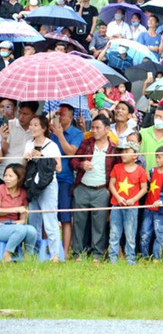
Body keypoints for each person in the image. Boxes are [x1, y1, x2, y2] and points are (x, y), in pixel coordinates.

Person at [70, 115, 117, 261]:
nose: (94, 131)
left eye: (98, 128)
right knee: (78, 222)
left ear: (107, 129)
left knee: (100, 224)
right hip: (82, 187)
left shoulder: (114, 149)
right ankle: (77, 253)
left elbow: (116, 171)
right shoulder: (86, 144)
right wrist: (82, 165)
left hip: (102, 189)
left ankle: (98, 254)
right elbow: (73, 161)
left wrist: (109, 190)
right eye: (93, 127)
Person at [23, 114, 62, 262]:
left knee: (50, 218)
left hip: (48, 185)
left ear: (44, 128)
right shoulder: (29, 143)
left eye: (35, 125)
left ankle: (54, 255)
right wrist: (26, 157)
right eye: (31, 125)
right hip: (33, 185)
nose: (31, 127)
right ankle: (33, 254)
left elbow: (58, 168)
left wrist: (43, 156)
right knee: (33, 219)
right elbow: (24, 166)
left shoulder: (51, 145)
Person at [48, 103, 83, 258]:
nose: (59, 117)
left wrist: (60, 134)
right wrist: (50, 118)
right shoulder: (50, 130)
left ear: (70, 117)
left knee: (65, 216)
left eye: (62, 114)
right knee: (48, 214)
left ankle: (65, 251)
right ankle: (48, 248)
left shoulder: (76, 133)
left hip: (65, 178)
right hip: (48, 177)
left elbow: (71, 152)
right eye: (58, 114)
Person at [107, 142, 148, 264]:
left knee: (130, 233)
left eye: (126, 151)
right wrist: (118, 198)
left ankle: (131, 258)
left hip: (132, 207)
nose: (123, 154)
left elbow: (144, 188)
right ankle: (112, 258)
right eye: (122, 152)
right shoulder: (117, 167)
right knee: (114, 232)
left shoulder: (140, 170)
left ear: (135, 156)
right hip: (116, 204)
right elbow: (111, 185)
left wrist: (133, 199)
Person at [140, 146, 163, 261]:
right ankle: (145, 256)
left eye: (160, 157)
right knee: (144, 234)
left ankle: (157, 258)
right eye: (156, 157)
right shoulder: (152, 171)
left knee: (159, 235)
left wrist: (161, 201)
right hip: (148, 208)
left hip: (161, 211)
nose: (157, 160)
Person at [0, 164, 37, 260]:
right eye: (5, 175)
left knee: (31, 230)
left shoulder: (23, 193)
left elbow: (22, 219)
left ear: (19, 178)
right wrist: (16, 209)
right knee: (20, 230)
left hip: (14, 225)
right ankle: (7, 255)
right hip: (1, 226)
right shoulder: (0, 189)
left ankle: (28, 256)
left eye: (10, 176)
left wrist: (21, 221)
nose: (6, 178)